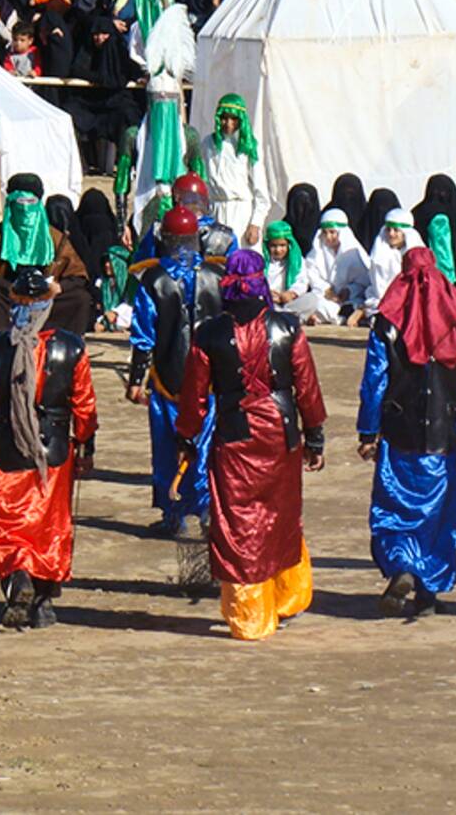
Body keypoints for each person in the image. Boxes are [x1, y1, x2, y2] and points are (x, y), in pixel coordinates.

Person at [175, 249, 327, 641]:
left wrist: (187, 436)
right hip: (282, 431)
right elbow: (306, 387)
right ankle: (288, 598)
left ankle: (251, 615)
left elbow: (194, 396)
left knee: (240, 519)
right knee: (281, 512)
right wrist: (314, 436)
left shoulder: (208, 333)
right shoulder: (288, 327)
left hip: (236, 435)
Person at [0, 268, 98, 629]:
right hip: (53, 453)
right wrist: (86, 445)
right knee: (50, 527)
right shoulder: (71, 347)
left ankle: (17, 580)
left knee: (7, 524)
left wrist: (11, 415)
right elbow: (84, 406)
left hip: (9, 450)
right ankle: (42, 603)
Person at [358, 247, 456, 618]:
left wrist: (368, 430)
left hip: (398, 437)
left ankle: (403, 567)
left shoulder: (387, 326)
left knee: (396, 509)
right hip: (441, 441)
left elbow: (374, 382)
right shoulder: (454, 325)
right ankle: (427, 590)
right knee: (438, 515)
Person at [127, 206, 224, 548]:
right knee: (207, 442)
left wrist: (135, 379)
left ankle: (177, 514)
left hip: (167, 379)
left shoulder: (153, 280)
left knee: (169, 445)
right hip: (210, 379)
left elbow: (143, 335)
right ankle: (208, 508)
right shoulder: (217, 276)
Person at [0, 174, 93, 343]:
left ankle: (58, 344)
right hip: (10, 295)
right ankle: (1, 344)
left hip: (45, 296)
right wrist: (12, 289)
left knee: (80, 298)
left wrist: (57, 287)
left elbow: (77, 273)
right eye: (20, 202)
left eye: (31, 203)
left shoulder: (54, 237)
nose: (25, 209)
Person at [201, 93, 271, 247]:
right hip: (216, 211)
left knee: (242, 261)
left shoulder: (249, 146)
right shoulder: (208, 144)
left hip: (241, 214)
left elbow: (261, 190)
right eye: (225, 118)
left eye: (233, 119)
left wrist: (255, 223)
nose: (228, 123)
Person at [298, 210, 371, 326]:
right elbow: (311, 273)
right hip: (325, 296)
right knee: (315, 303)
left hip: (349, 298)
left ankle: (341, 316)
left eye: (332, 232)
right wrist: (326, 289)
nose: (328, 237)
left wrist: (349, 290)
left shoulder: (353, 253)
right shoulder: (317, 251)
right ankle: (337, 318)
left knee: (355, 304)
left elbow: (363, 281)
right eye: (325, 233)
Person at [367, 208, 422, 317]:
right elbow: (379, 288)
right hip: (383, 300)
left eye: (396, 230)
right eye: (388, 230)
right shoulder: (380, 253)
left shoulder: (417, 255)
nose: (391, 234)